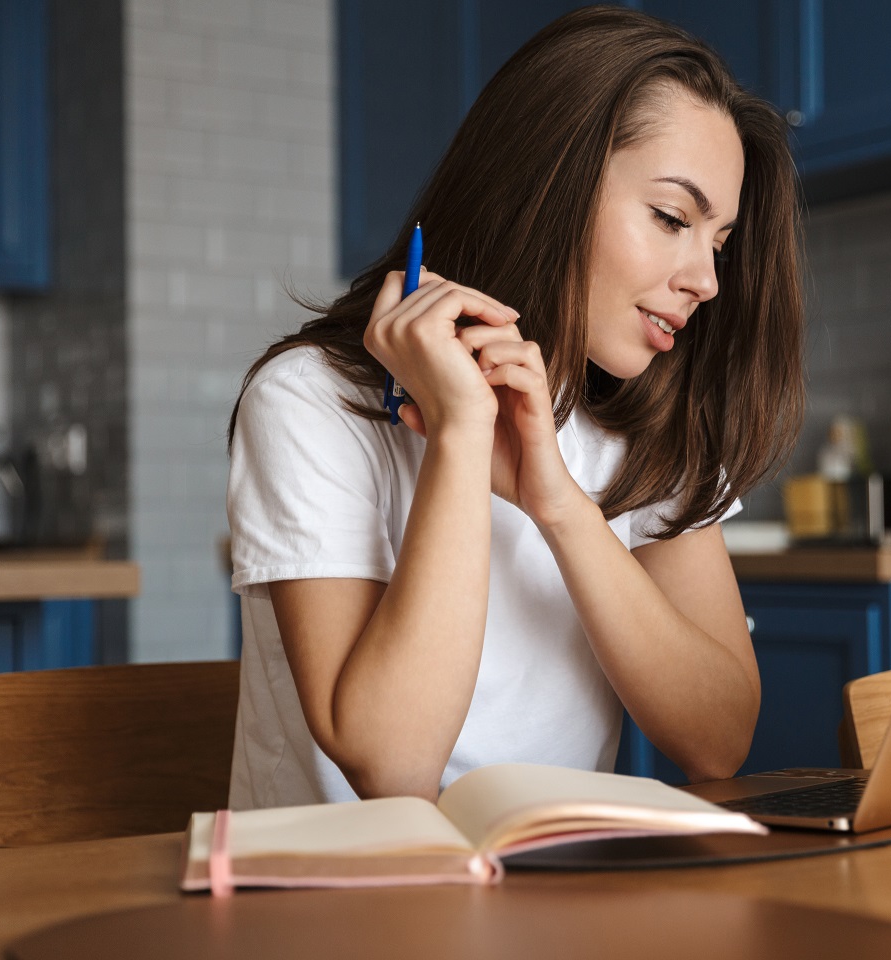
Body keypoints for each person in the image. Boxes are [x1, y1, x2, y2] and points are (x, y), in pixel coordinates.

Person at [226, 5, 805, 809]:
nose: (705, 281)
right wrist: (462, 435)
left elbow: (718, 739)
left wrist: (560, 503)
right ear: (547, 180)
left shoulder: (647, 424)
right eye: (673, 218)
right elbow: (393, 767)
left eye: (717, 242)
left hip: (556, 901)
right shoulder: (308, 401)